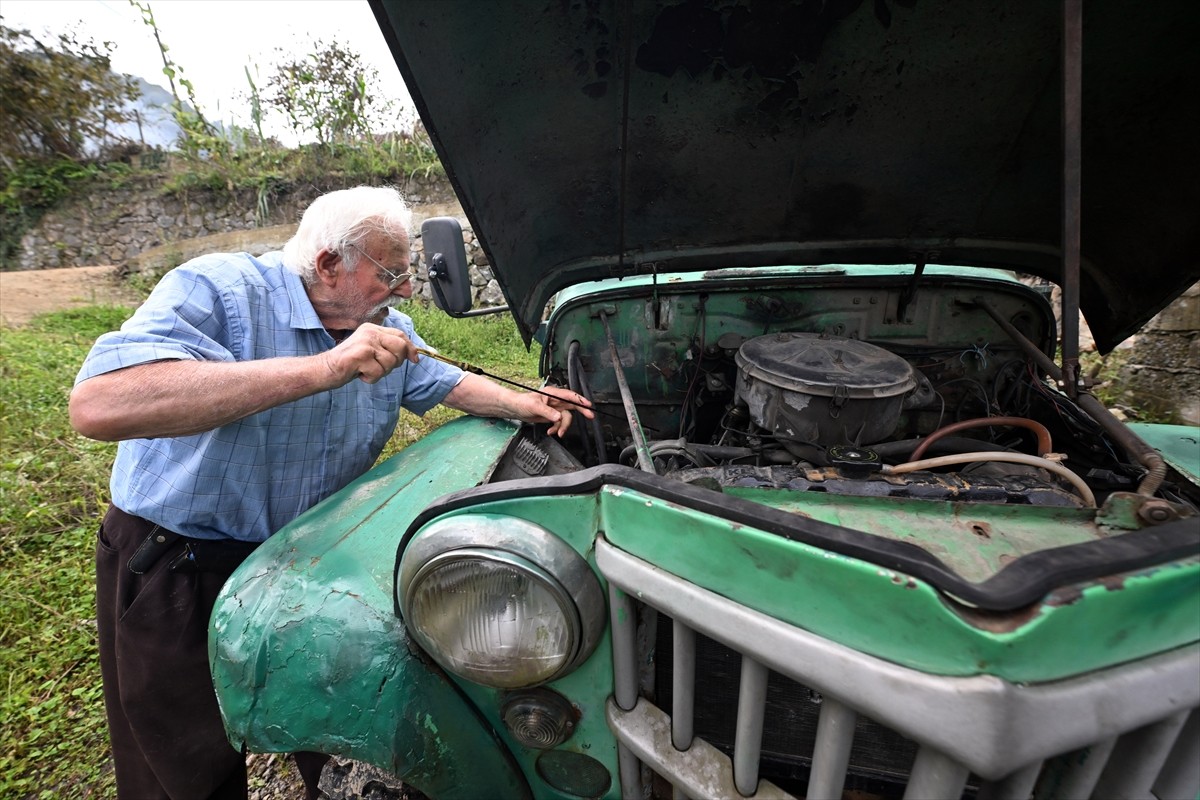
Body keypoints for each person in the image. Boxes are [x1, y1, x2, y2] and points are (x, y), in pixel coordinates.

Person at [68, 185, 592, 800]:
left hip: (305, 562)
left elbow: (443, 379)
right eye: (392, 273)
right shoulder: (221, 290)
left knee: (335, 728)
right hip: (179, 561)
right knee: (183, 754)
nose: (404, 291)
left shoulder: (385, 326)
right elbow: (99, 404)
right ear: (328, 265)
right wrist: (326, 368)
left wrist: (528, 401)